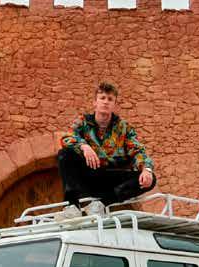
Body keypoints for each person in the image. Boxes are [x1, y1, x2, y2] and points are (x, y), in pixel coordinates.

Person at [57, 82, 156, 218]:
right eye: (102, 98)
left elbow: (138, 150)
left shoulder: (124, 128)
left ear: (114, 105)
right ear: (95, 102)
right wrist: (83, 146)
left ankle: (100, 204)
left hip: (112, 180)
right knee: (64, 153)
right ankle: (72, 206)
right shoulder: (82, 122)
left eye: (110, 99)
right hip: (88, 177)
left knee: (151, 179)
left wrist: (146, 169)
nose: (105, 102)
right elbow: (67, 138)